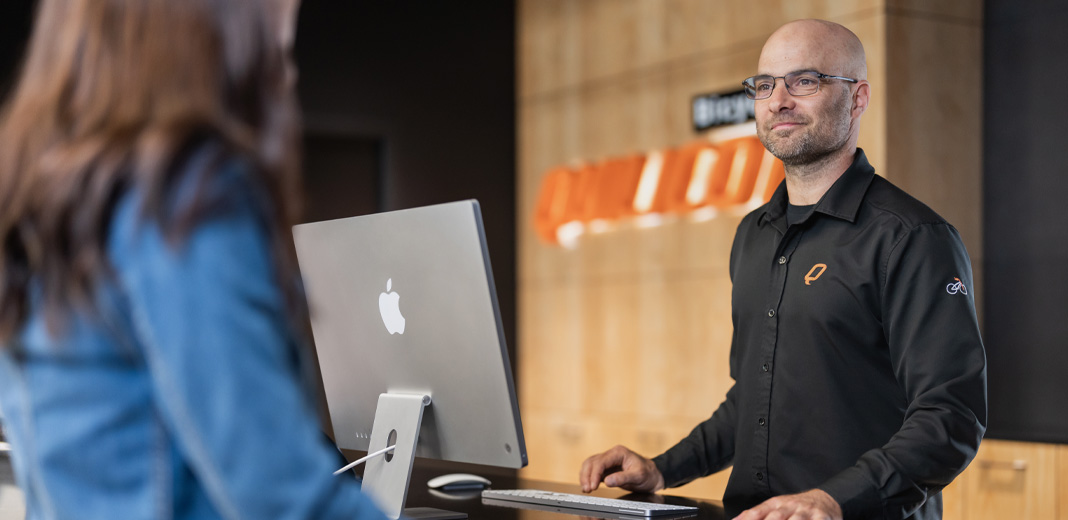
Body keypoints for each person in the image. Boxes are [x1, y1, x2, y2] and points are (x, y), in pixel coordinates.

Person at [579, 19, 986, 520]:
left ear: (857, 98)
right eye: (765, 85)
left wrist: (833, 499)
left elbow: (951, 416)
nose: (778, 101)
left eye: (805, 81)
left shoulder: (911, 237)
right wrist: (663, 469)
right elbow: (751, 401)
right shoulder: (754, 234)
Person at [0, 1, 386, 518]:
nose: (287, 72)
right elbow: (283, 498)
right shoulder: (183, 197)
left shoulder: (40, 192)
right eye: (280, 46)